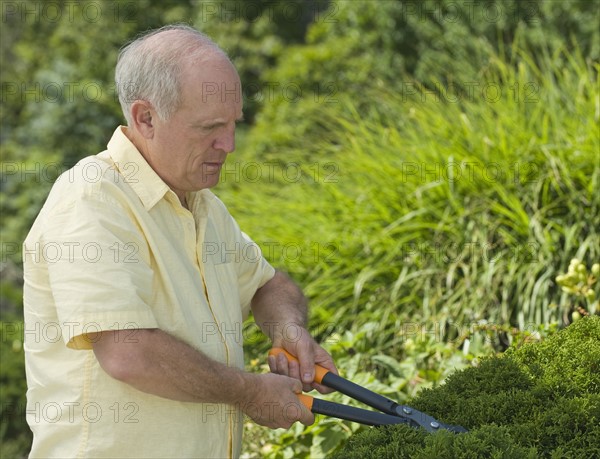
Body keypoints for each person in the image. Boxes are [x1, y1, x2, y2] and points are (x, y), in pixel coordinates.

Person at [22, 24, 337, 459]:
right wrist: (248, 391)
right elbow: (128, 354)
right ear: (145, 118)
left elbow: (268, 285)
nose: (227, 145)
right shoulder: (91, 198)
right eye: (208, 127)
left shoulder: (203, 206)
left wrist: (288, 329)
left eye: (232, 125)